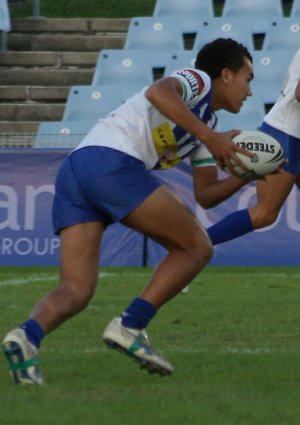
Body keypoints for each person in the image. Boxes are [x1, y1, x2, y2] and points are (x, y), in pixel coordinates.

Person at [2, 38, 254, 384]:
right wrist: (212, 138)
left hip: (79, 168)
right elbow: (157, 93)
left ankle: (26, 338)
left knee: (77, 289)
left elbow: (207, 194)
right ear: (226, 75)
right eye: (248, 78)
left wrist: (246, 177)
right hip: (110, 161)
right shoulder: (199, 81)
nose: (251, 91)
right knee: (196, 247)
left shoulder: (205, 129)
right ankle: (131, 324)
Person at [206, 48, 300, 246]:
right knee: (264, 214)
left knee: (264, 214)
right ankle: (191, 244)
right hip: (287, 132)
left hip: (290, 131)